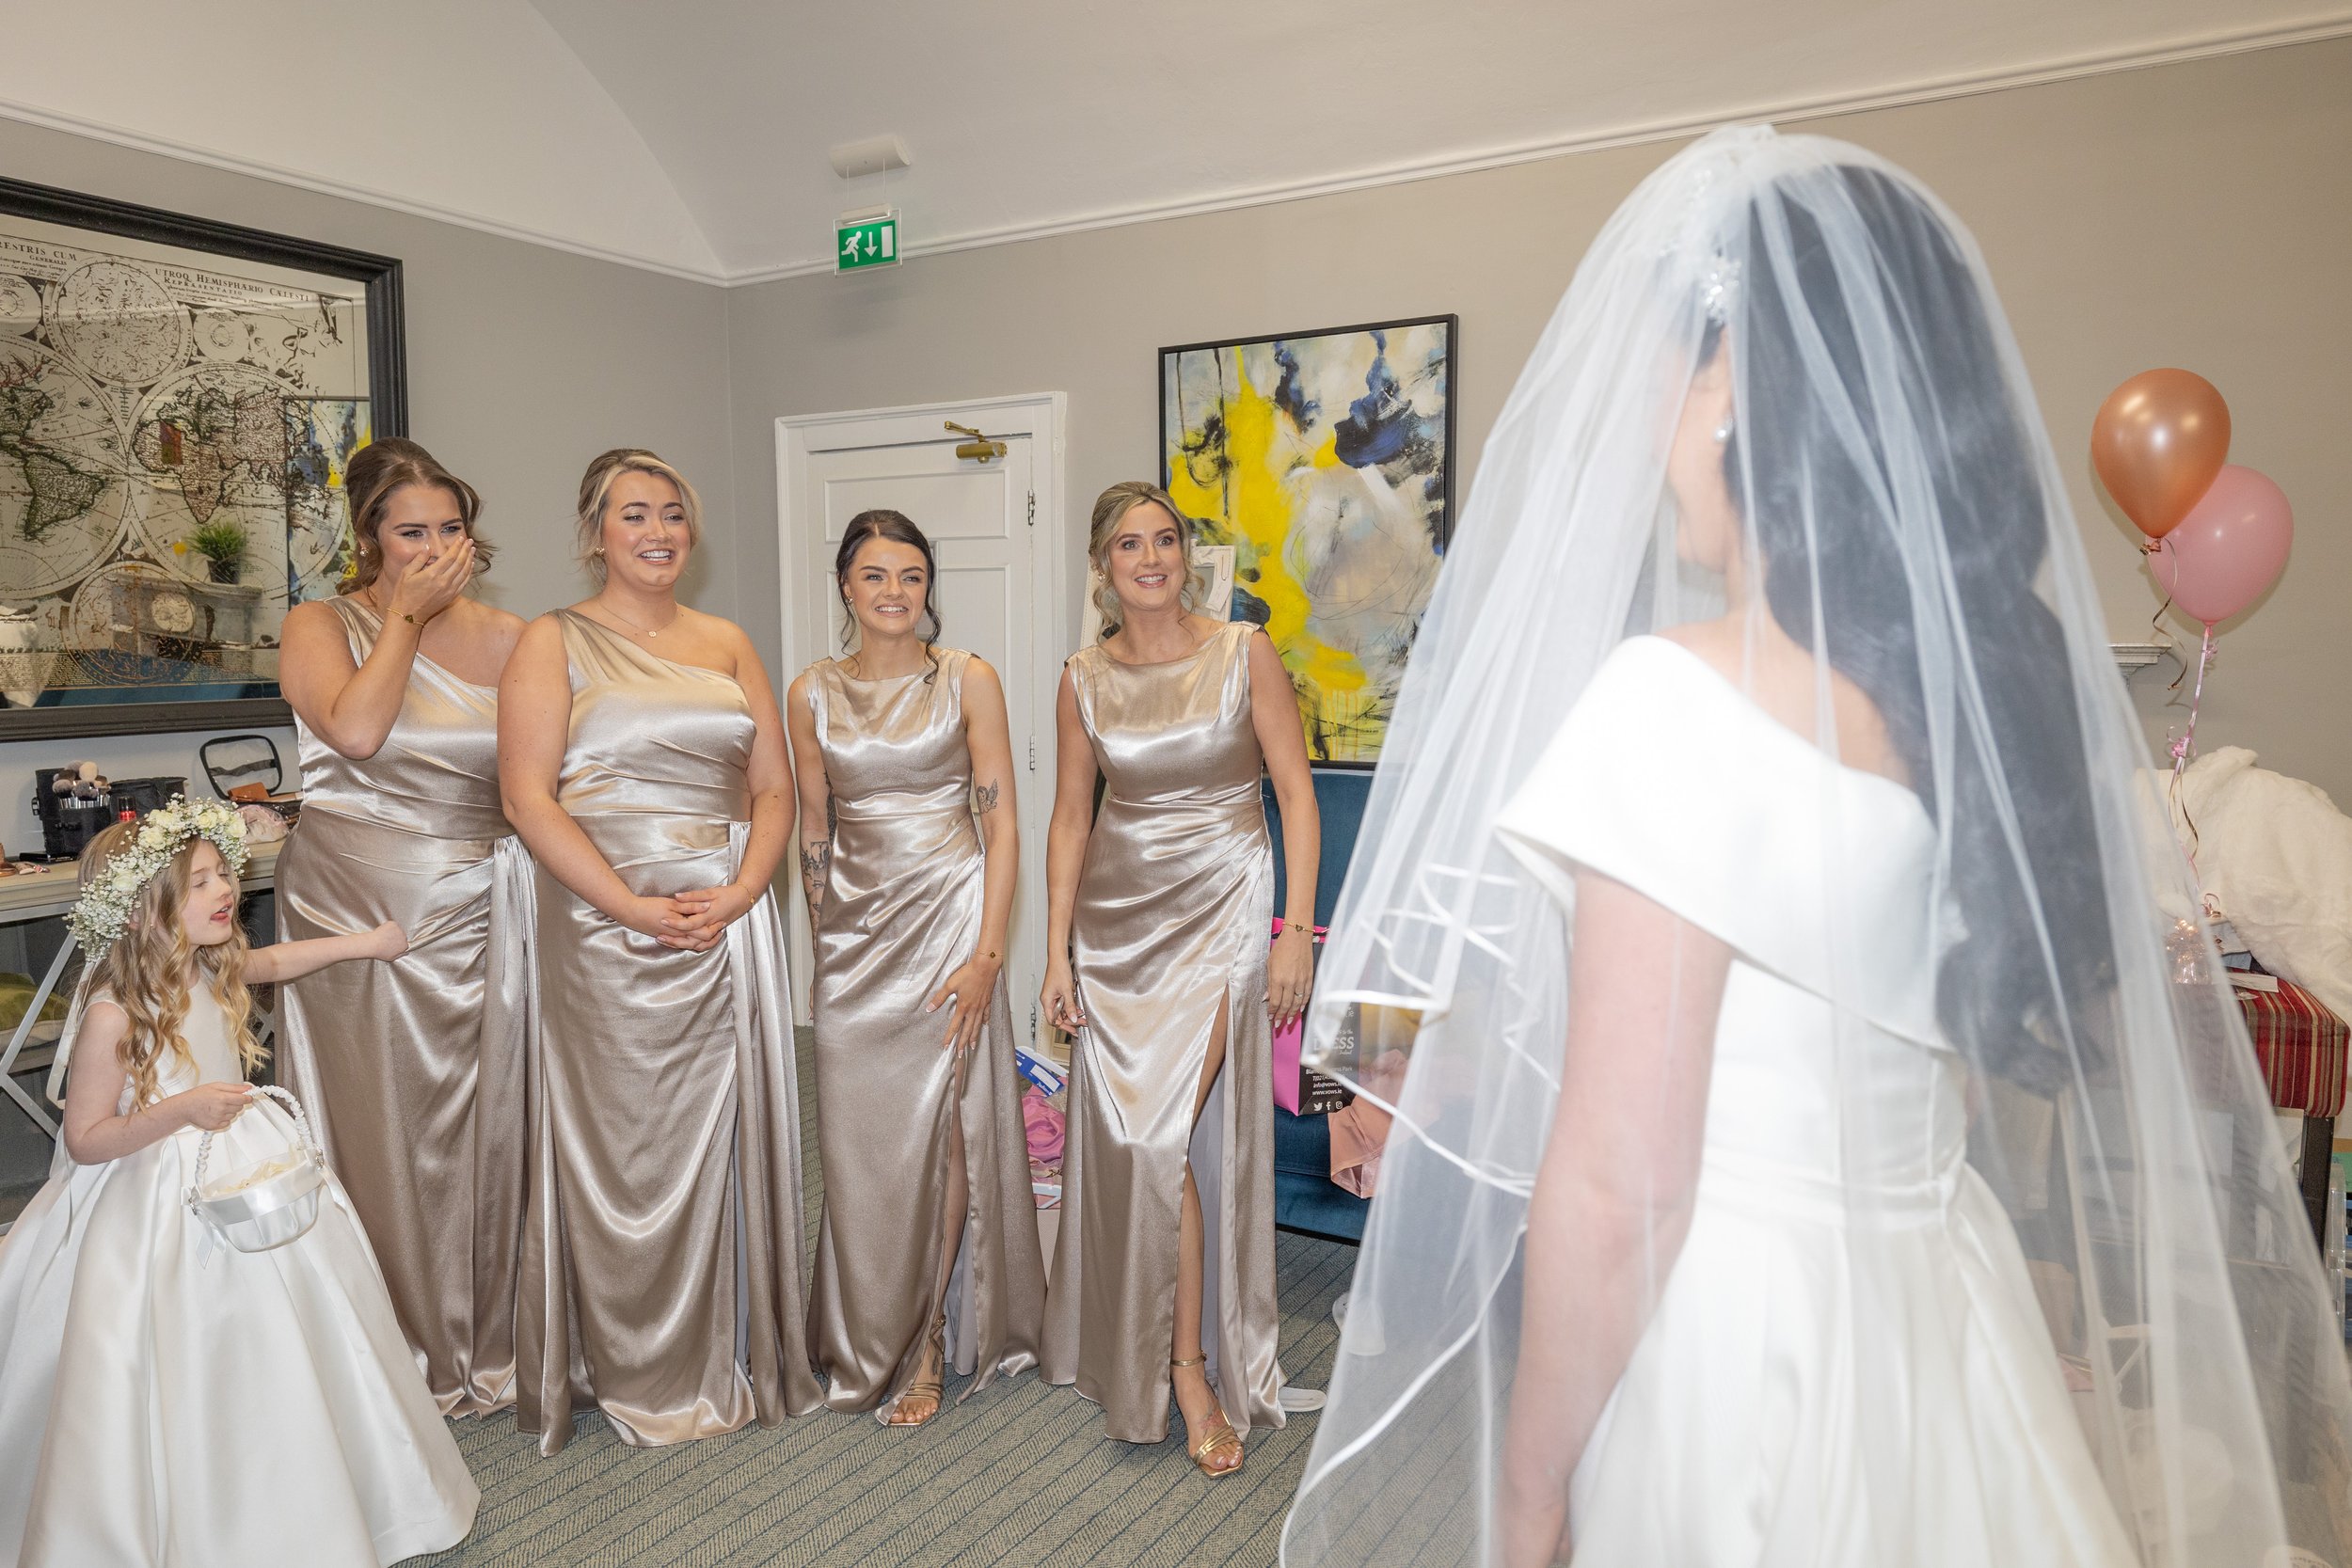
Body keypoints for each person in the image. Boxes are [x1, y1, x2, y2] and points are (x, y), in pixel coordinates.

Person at [1282, 125, 2352, 1568]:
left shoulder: (1677, 698)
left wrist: (1528, 1493)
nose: (1644, 425)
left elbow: (1623, 1181)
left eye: (1666, 370)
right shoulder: (1975, 702)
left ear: (1730, 386)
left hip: (1740, 1339)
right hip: (1936, 1296)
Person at [0, 805, 477, 1565]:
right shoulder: (113, 1015)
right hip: (153, 1192)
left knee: (297, 1317)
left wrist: (368, 943)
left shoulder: (209, 967)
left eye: (223, 873)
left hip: (246, 1167)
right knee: (179, 1343)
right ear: (142, 911)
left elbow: (278, 960)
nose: (226, 889)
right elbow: (86, 1138)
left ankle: (304, 1477)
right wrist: (182, 1108)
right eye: (200, 882)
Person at [500, 447, 818, 1451]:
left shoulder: (727, 641)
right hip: (603, 923)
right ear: (595, 532)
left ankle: (721, 1349)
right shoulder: (551, 640)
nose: (658, 531)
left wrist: (748, 888)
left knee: (717, 1131)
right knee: (620, 1140)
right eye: (634, 513)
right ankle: (621, 1360)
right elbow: (527, 798)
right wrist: (630, 908)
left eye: (673, 513)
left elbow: (774, 786)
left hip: (725, 918)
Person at [1040, 481, 1320, 1477]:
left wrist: (1293, 932)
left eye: (1164, 540)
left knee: (1159, 1136)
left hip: (1223, 909)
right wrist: (1056, 949)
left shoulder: (1243, 651)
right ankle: (1136, 1344)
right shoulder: (1082, 677)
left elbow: (1295, 794)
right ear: (1102, 565)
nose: (1151, 558)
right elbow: (1070, 816)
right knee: (1132, 1139)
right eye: (1129, 544)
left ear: (1185, 554)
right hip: (1117, 925)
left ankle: (1189, 1371)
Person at [276, 436, 529, 1416]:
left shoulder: (511, 636)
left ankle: (489, 1326)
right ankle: (382, 1344)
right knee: (380, 1124)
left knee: (487, 1120)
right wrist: (405, 621)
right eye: (410, 532)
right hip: (354, 904)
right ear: (370, 538)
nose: (433, 549)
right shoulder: (319, 623)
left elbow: (549, 774)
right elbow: (356, 730)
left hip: (482, 901)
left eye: (449, 529)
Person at [790, 509, 1045, 1425]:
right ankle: (864, 1322)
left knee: (944, 1134)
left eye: (909, 574)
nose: (893, 591)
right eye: (874, 575)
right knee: (859, 1143)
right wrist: (825, 941)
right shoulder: (810, 693)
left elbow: (1001, 824)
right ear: (845, 586)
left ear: (927, 586)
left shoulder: (968, 679)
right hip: (853, 944)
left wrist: (988, 953)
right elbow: (813, 827)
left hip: (949, 928)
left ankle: (927, 1335)